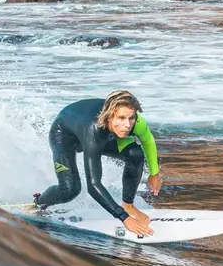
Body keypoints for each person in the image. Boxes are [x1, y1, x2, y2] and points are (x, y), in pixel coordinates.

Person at [32, 90, 162, 237]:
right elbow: (93, 185)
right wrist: (124, 218)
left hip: (100, 132)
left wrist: (154, 173)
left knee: (135, 154)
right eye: (121, 118)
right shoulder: (94, 131)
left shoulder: (136, 122)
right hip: (64, 135)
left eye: (131, 118)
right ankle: (38, 203)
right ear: (109, 116)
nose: (127, 125)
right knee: (70, 189)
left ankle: (128, 205)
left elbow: (148, 141)